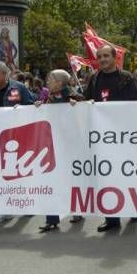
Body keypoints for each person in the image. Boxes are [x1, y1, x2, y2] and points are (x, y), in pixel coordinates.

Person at [84, 45, 137, 232]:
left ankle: (133, 208)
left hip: (123, 136)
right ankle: (112, 219)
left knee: (126, 174)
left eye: (106, 56)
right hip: (102, 138)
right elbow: (86, 102)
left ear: (114, 58)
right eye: (99, 56)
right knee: (107, 177)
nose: (102, 59)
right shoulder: (94, 78)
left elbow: (136, 105)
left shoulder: (126, 78)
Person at [0, 60, 35, 225]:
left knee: (22, 174)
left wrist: (22, 110)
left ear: (5, 74)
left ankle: (27, 205)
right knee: (0, 175)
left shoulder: (18, 88)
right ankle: (4, 210)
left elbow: (32, 105)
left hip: (19, 138)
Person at [34, 69, 84, 232]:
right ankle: (52, 219)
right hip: (53, 145)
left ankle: (77, 210)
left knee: (72, 179)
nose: (48, 82)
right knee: (51, 180)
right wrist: (39, 107)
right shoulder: (48, 98)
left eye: (51, 79)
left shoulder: (74, 96)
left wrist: (79, 107)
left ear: (60, 82)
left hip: (71, 145)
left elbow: (87, 113)